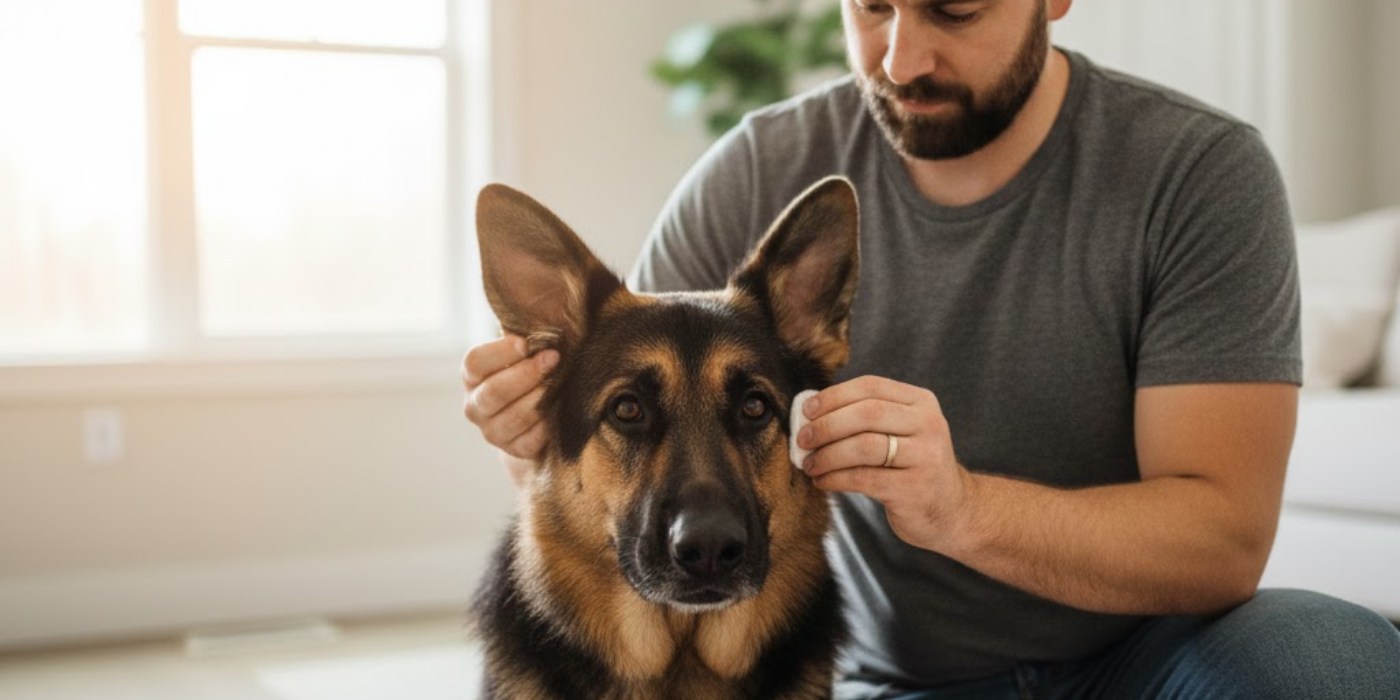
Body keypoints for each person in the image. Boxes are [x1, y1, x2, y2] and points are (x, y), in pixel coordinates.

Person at [463, 0, 1400, 697]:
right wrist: (526, 430)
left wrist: (960, 510)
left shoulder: (1198, 176)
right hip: (890, 682)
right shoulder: (756, 170)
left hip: (1153, 667)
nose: (903, 55)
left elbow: (1223, 544)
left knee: (1333, 661)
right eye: (872, 7)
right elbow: (603, 470)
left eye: (954, 6)